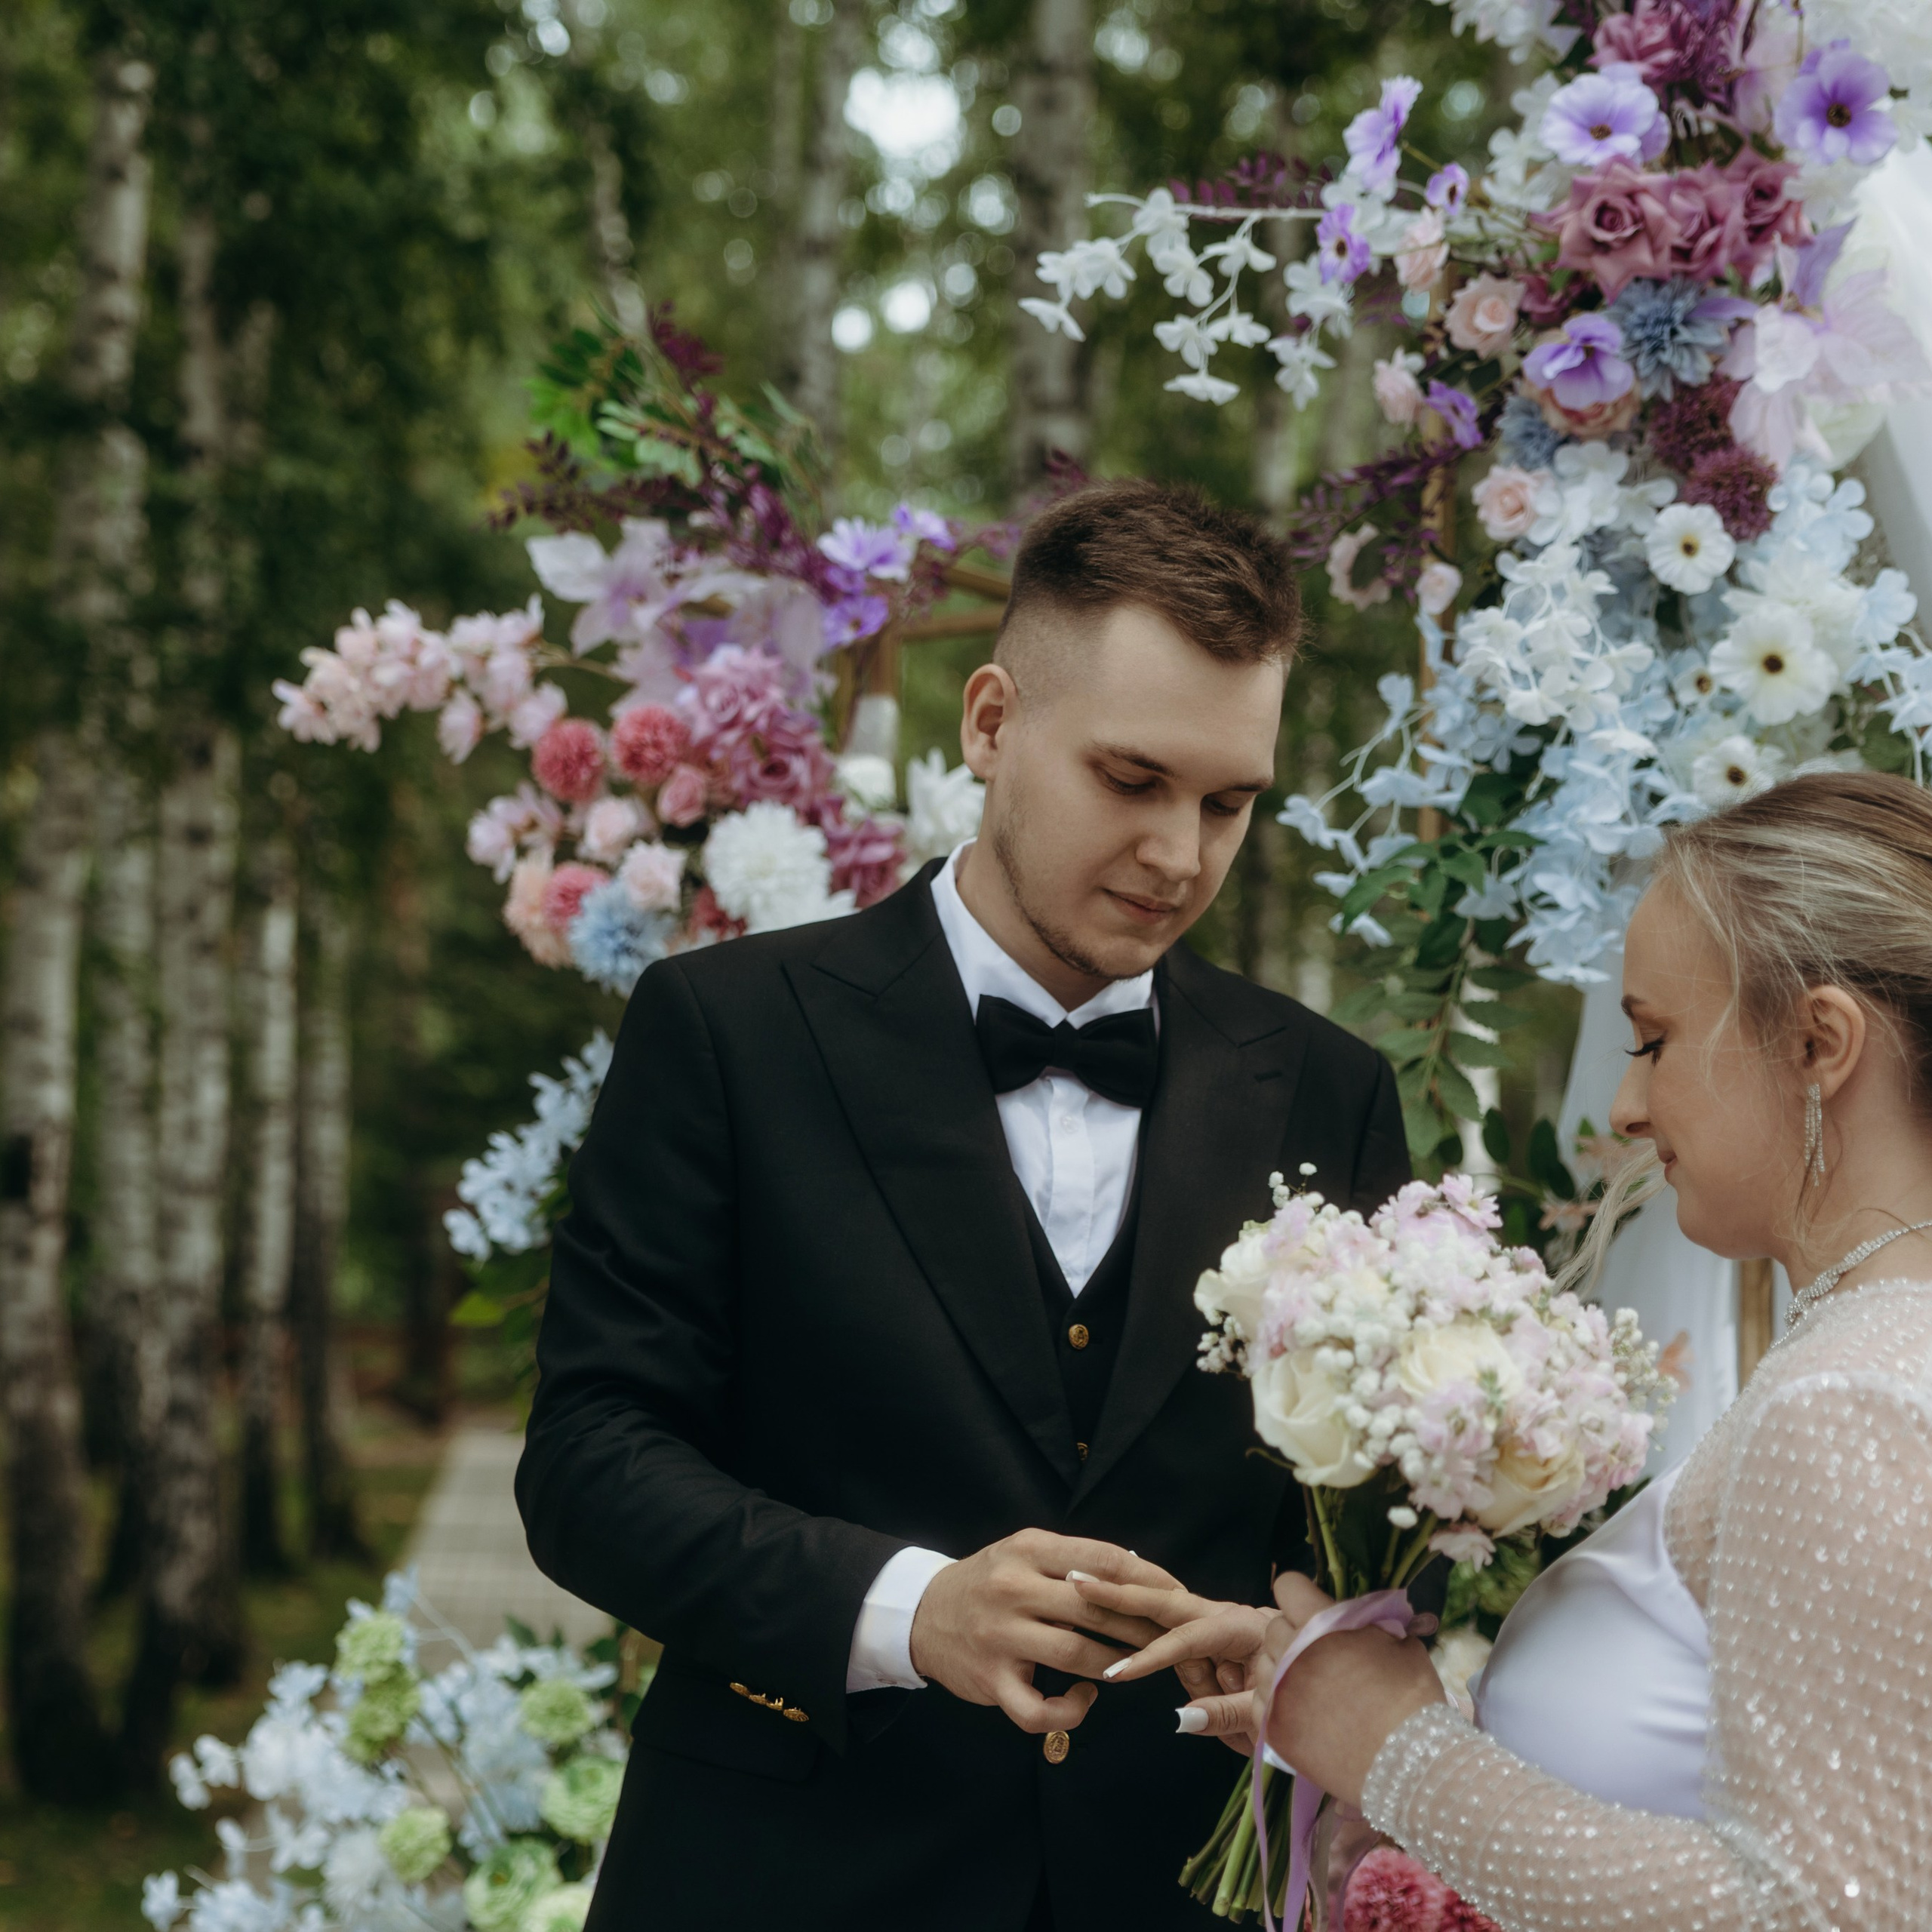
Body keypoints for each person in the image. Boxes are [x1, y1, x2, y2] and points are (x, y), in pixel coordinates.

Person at [515, 478, 1410, 1932]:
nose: (1181, 855)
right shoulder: (728, 1030)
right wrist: (906, 1608)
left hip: (1179, 1890)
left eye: (1228, 802)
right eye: (1132, 781)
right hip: (781, 1881)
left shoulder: (1330, 1089)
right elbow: (590, 1464)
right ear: (991, 723)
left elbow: (1360, 1536)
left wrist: (1299, 1641)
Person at [1083, 768, 1932, 1930]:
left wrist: (1400, 1752)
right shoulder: (1867, 1355)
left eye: (1655, 1041)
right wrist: (1322, 1691)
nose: (1628, 1109)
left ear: (1819, 1042)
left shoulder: (1848, 1404)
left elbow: (1825, 1914)